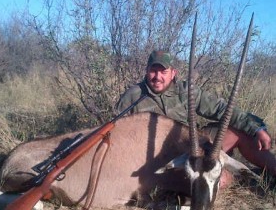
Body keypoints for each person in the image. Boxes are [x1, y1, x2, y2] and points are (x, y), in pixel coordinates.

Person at [116, 50, 276, 185]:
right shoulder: (131, 97)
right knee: (216, 181)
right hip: (165, 161)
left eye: (163, 72)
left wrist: (257, 128)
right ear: (146, 70)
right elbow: (119, 139)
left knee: (238, 132)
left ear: (173, 73)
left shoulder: (185, 91)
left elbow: (221, 109)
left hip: (195, 143)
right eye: (153, 70)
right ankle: (237, 178)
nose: (157, 76)